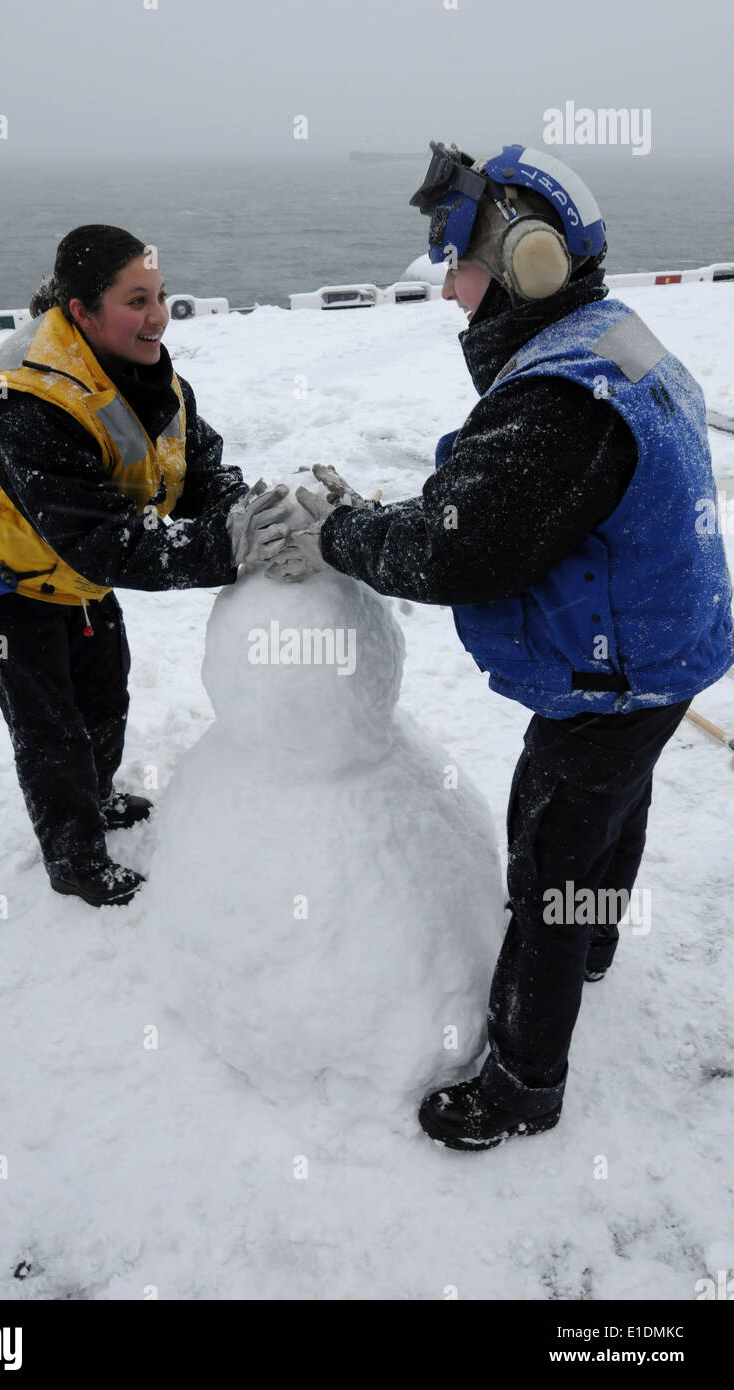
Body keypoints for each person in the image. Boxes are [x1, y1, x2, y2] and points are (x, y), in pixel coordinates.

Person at [262, 143, 734, 1149]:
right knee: (615, 808)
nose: (447, 288)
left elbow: (458, 549)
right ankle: (597, 935)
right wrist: (382, 514)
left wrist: (333, 534)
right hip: (660, 653)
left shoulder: (560, 402)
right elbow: (486, 504)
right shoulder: (606, 334)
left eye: (457, 262)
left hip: (612, 678)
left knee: (549, 859)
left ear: (526, 262)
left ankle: (521, 1084)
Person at [0, 224, 291, 906]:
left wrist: (246, 510)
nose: (157, 315)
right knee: (50, 724)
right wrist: (234, 545)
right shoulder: (28, 401)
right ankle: (74, 859)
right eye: (135, 300)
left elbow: (198, 470)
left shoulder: (148, 372)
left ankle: (97, 795)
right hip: (2, 578)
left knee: (104, 691)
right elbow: (108, 544)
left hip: (73, 572)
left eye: (159, 294)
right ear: (82, 313)